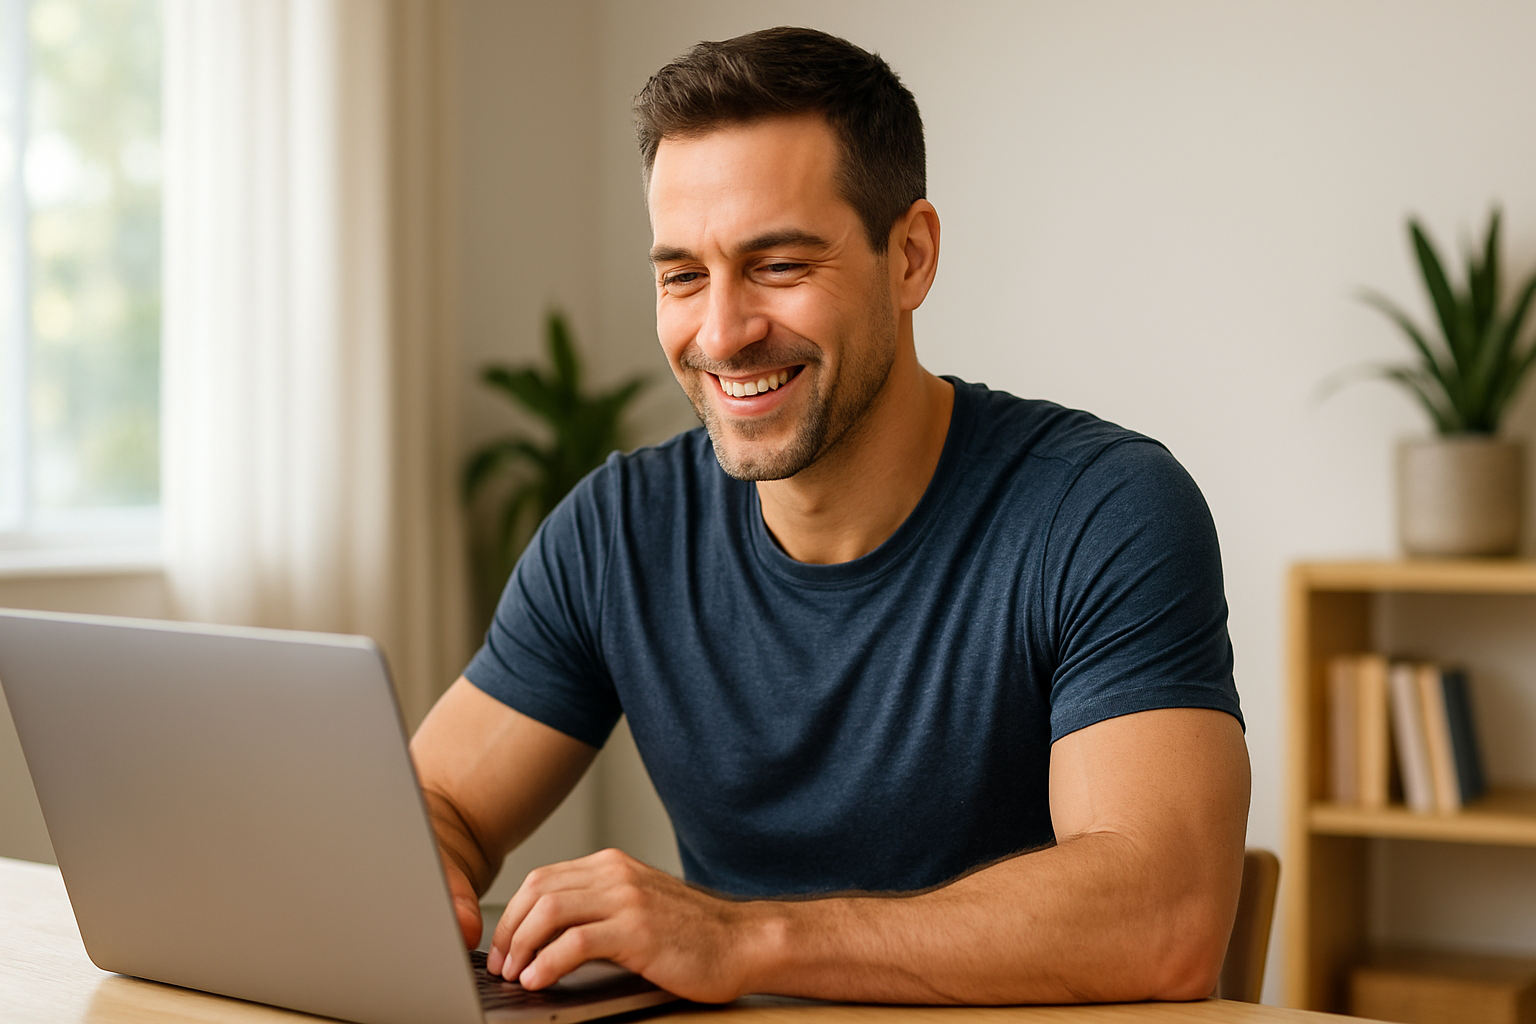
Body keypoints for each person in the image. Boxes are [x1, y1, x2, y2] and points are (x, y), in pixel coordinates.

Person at [409, 26, 1249, 1006]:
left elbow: (1162, 917)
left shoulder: (1103, 510)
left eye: (777, 265)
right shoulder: (617, 531)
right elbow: (437, 804)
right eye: (683, 275)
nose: (721, 332)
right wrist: (421, 867)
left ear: (911, 256)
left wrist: (741, 938)